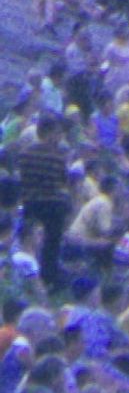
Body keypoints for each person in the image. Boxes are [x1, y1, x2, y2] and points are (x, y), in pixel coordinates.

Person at [18, 113, 70, 287]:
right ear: (48, 133)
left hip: (30, 202)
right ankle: (49, 278)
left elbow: (22, 178)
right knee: (52, 242)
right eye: (57, 132)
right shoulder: (58, 156)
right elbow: (63, 181)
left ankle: (27, 274)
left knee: (28, 240)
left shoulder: (24, 154)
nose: (59, 137)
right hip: (52, 203)